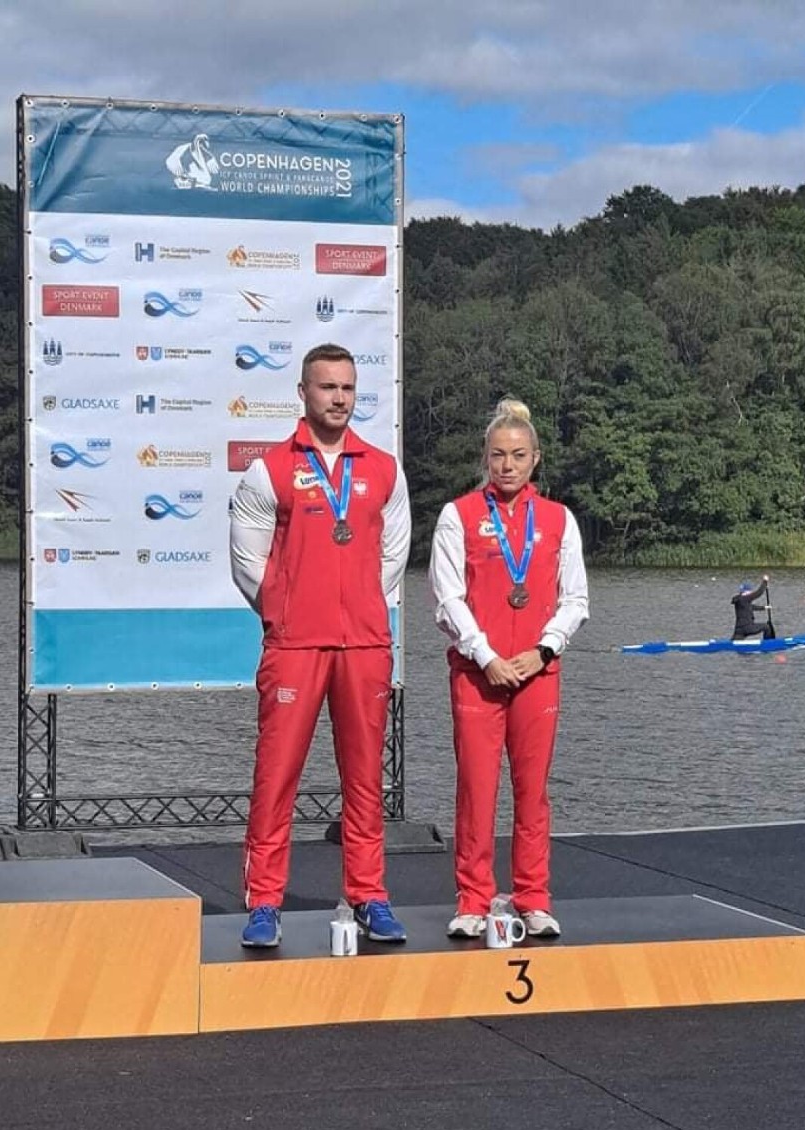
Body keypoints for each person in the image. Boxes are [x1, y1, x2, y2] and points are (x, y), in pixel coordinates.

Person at [229, 343, 411, 947]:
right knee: (275, 776)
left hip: (363, 646)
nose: (339, 398)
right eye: (327, 387)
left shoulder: (383, 469)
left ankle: (369, 894)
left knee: (364, 780)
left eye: (348, 388)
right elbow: (247, 563)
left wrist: (356, 603)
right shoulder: (271, 469)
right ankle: (264, 903)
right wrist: (287, 613)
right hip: (296, 647)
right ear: (303, 393)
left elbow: (392, 558)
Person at [428, 398, 589, 939]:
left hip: (537, 672)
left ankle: (532, 896)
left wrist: (543, 651)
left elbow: (576, 600)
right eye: (498, 455)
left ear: (535, 458)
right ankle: (473, 899)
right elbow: (447, 599)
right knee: (476, 789)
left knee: (532, 790)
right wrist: (486, 655)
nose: (507, 465)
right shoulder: (459, 516)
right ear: (485, 457)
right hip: (480, 673)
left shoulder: (559, 520)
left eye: (518, 455)